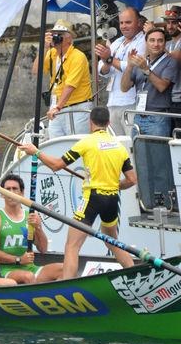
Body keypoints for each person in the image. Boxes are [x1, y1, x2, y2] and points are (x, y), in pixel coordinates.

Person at [21, 106, 138, 279]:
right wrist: (112, 185)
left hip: (92, 198)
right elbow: (131, 180)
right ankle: (134, 273)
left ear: (91, 122)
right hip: (112, 199)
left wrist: (36, 152)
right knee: (112, 241)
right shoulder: (118, 146)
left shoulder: (86, 143)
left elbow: (56, 165)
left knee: (72, 245)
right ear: (108, 123)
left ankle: (67, 284)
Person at [0, 174, 62, 284]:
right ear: (2, 194)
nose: (11, 192)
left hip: (30, 268)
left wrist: (38, 228)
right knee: (28, 277)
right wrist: (18, 259)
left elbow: (43, 249)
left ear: (22, 192)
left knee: (63, 269)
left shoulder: (31, 216)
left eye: (15, 189)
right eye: (8, 189)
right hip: (7, 271)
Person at [32, 19, 93, 138]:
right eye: (54, 34)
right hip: (57, 107)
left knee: (76, 145)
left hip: (76, 107)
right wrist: (44, 48)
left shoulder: (78, 57)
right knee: (56, 142)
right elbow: (36, 71)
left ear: (69, 38)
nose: (56, 37)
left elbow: (70, 86)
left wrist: (57, 107)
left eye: (60, 34)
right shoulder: (51, 53)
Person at [95, 7, 146, 135]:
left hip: (131, 102)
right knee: (117, 147)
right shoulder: (118, 41)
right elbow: (101, 69)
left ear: (139, 22)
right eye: (121, 23)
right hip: (113, 101)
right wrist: (108, 61)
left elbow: (132, 65)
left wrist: (110, 59)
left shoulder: (144, 40)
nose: (123, 26)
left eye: (128, 22)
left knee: (132, 145)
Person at [121, 27, 177, 137]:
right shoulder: (141, 61)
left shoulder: (170, 62)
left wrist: (146, 69)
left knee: (158, 153)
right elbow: (124, 88)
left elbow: (162, 86)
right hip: (139, 115)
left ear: (165, 43)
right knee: (138, 153)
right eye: (152, 40)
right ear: (146, 42)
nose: (156, 44)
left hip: (158, 117)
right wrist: (129, 66)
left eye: (160, 41)